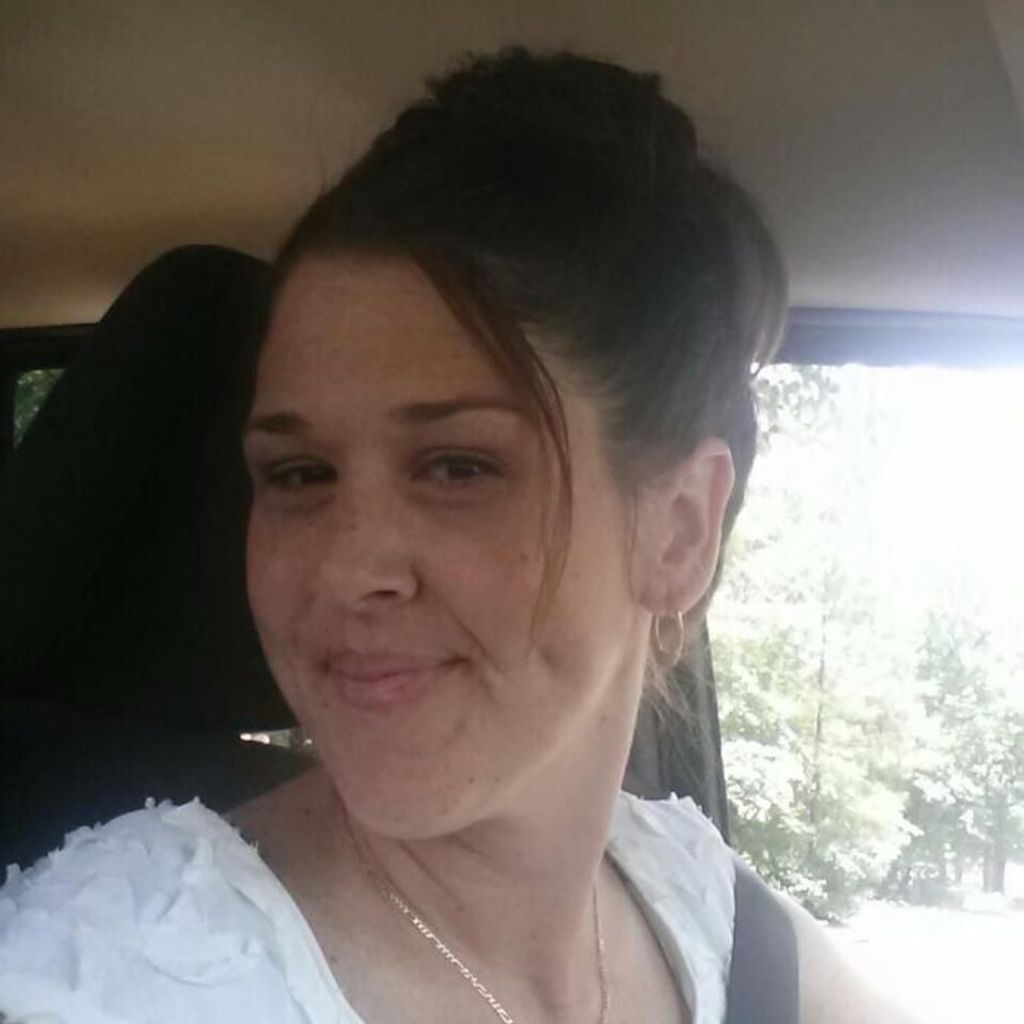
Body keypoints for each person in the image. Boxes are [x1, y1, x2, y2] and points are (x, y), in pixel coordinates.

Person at [0, 47, 915, 1024]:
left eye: (458, 468)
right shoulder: (91, 975)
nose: (346, 569)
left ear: (679, 532)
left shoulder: (707, 906)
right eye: (298, 474)